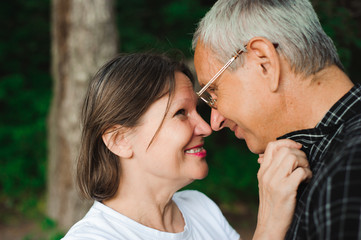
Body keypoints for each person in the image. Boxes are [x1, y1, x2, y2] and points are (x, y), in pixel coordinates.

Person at [62, 53, 311, 240]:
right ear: (120, 140)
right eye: (181, 113)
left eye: (196, 110)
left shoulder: (200, 207)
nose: (205, 127)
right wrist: (269, 225)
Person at [192, 0, 361, 239]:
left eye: (214, 90)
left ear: (264, 62)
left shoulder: (349, 170)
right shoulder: (326, 158)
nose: (215, 121)